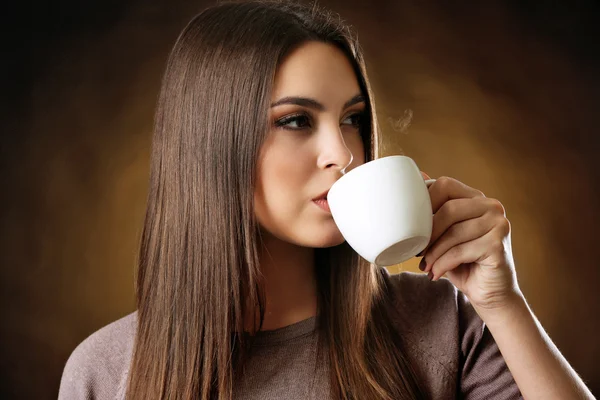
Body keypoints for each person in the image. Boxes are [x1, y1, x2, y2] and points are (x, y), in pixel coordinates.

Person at [58, 1, 596, 399]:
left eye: (353, 120)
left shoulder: (443, 320)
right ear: (210, 147)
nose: (344, 153)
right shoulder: (105, 374)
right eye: (295, 121)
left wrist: (505, 306)